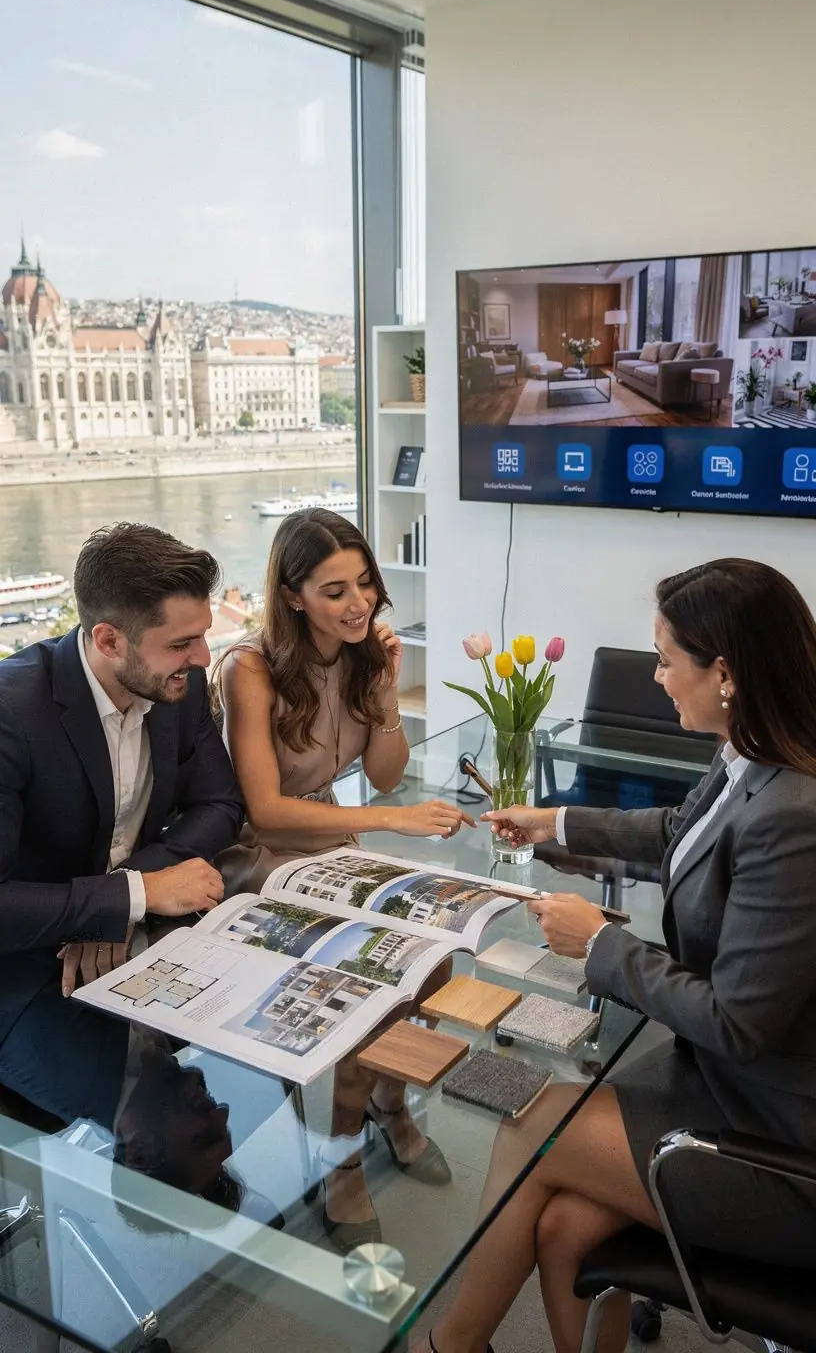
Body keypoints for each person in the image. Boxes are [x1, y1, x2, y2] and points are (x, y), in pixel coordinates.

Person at [422, 558, 816, 1353]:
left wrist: (601, 945)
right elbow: (678, 834)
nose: (660, 676)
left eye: (669, 659)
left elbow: (737, 1022)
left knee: (527, 1128)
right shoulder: (753, 754)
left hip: (783, 1141)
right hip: (730, 1085)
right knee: (566, 1223)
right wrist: (555, 825)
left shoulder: (795, 815)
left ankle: (447, 1348)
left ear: (728, 674)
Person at [216, 507, 473, 1251]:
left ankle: (389, 1102)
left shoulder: (364, 654)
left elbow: (386, 777)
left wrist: (388, 692)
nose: (359, 602)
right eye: (335, 591)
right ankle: (341, 1158)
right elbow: (263, 808)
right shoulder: (250, 669)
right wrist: (388, 829)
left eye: (363, 583)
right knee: (360, 985)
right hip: (256, 856)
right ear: (292, 595)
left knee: (433, 960)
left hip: (329, 843)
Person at [0, 522, 243, 1129]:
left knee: (253, 1064)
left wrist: (125, 897)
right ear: (109, 639)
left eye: (203, 637)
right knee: (154, 1118)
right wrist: (131, 896)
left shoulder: (174, 685)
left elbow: (222, 804)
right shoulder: (11, 713)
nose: (203, 658)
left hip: (138, 936)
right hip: (23, 971)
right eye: (183, 642)